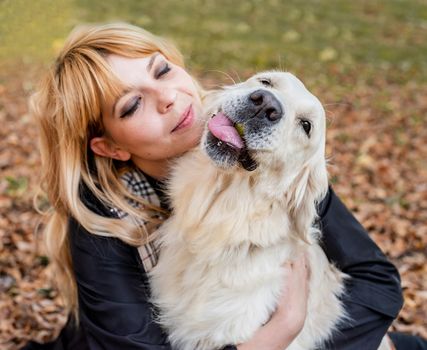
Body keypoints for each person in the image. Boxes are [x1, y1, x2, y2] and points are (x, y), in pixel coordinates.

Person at [25, 22, 416, 350]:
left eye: (162, 71)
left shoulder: (275, 170)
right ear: (111, 146)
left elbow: (377, 282)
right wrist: (285, 327)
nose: (168, 97)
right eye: (131, 105)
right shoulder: (103, 218)